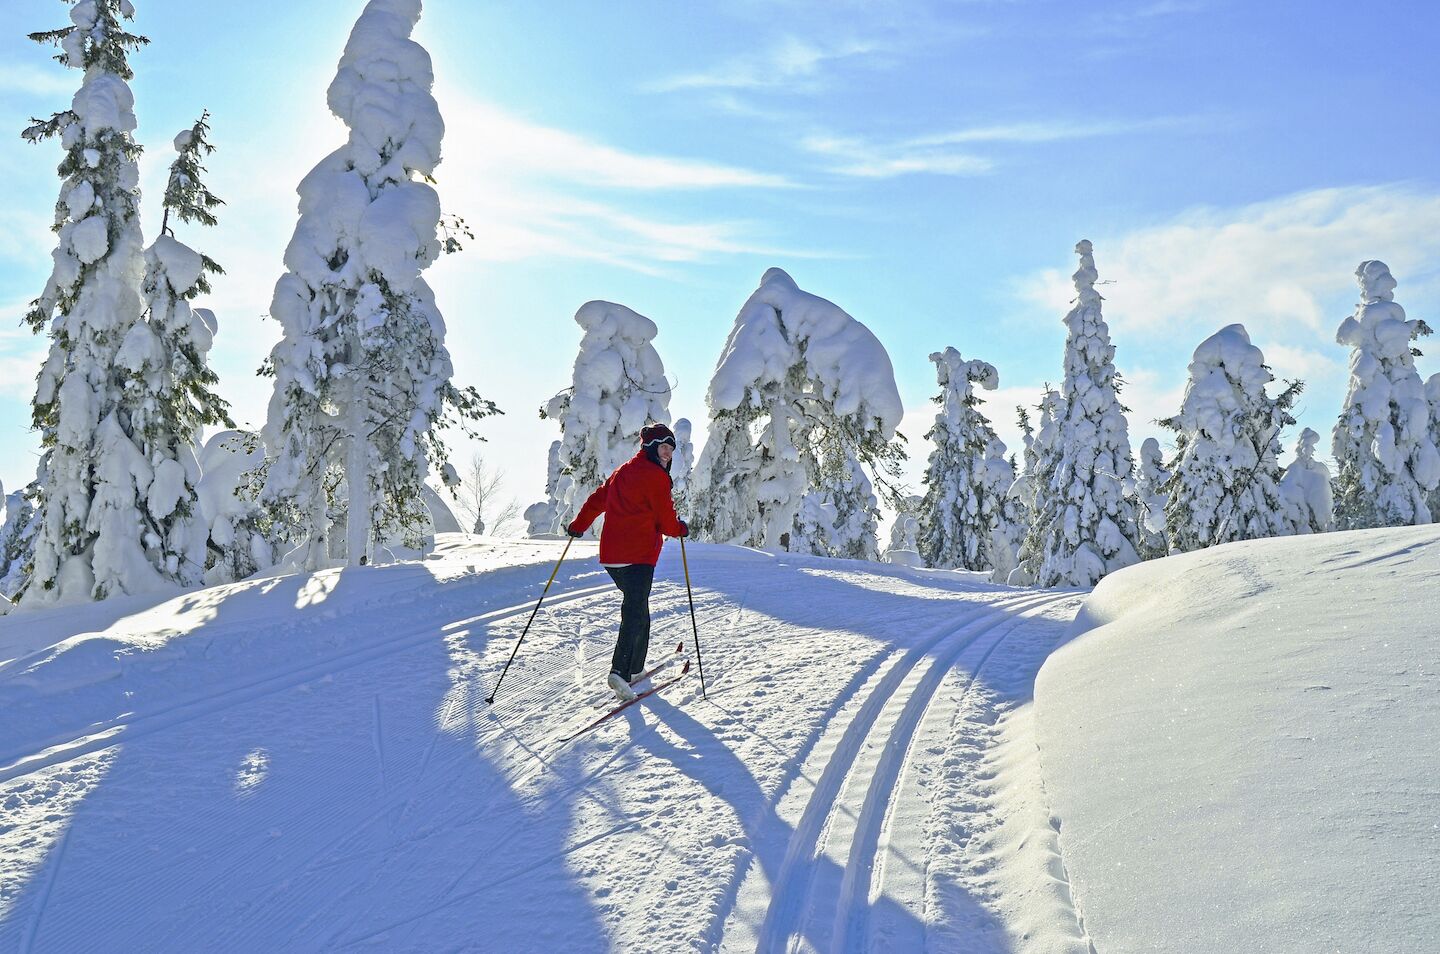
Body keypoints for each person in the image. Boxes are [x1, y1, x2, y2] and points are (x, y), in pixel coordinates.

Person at [568, 423, 688, 701]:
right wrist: (680, 528)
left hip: (613, 558)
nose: (668, 454)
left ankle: (634, 669)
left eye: (671, 449)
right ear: (650, 447)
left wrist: (579, 524)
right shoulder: (656, 477)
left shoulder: (623, 471)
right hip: (638, 557)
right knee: (634, 613)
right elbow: (666, 521)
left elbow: (599, 499)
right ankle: (619, 671)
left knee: (639, 609)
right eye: (663, 447)